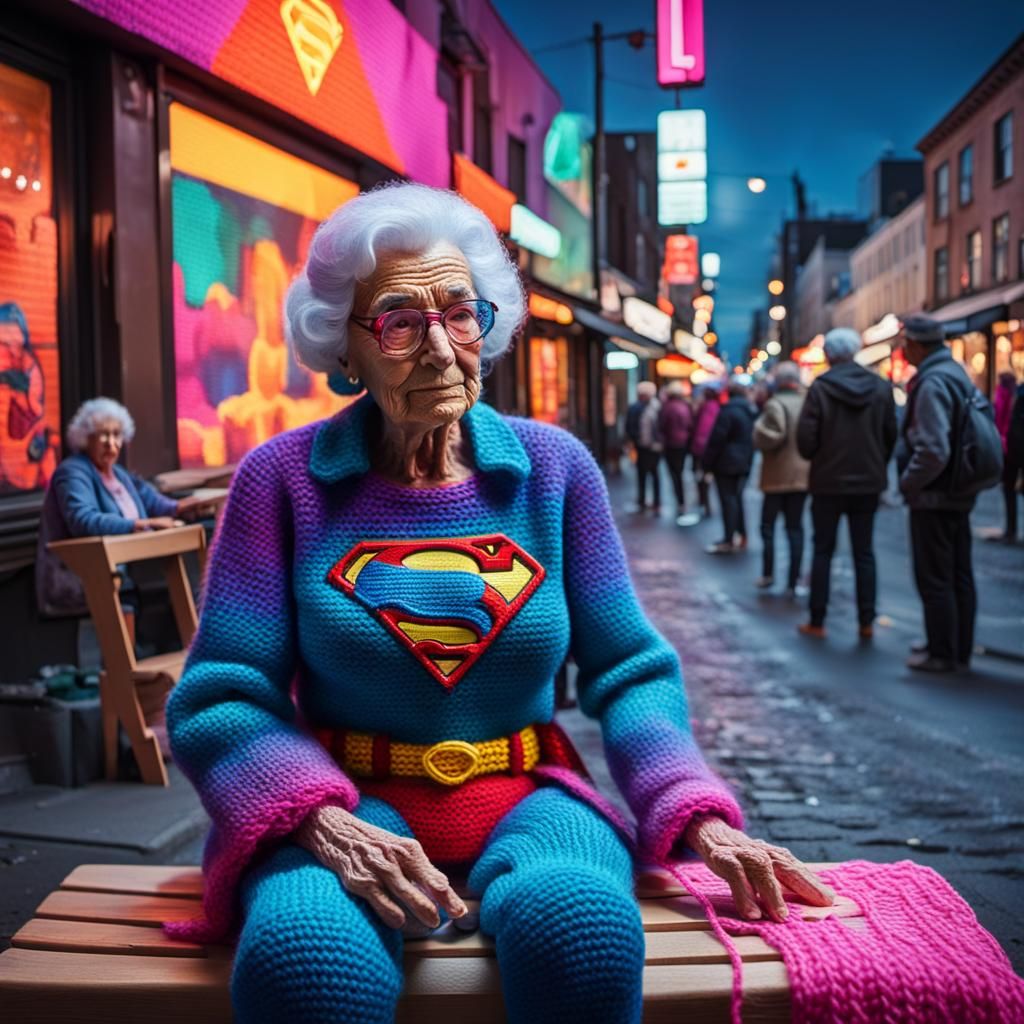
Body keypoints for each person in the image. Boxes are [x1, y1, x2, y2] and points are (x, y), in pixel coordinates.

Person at [164, 183, 834, 1024]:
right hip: (343, 800)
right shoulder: (285, 481)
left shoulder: (553, 471)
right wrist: (318, 819)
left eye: (459, 314)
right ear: (346, 348)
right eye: (401, 323)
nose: (440, 350)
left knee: (583, 930)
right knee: (307, 959)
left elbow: (629, 671)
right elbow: (224, 694)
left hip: (526, 794)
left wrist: (695, 810)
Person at [35, 398, 212, 617]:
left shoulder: (118, 473)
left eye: (117, 434)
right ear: (85, 438)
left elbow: (153, 502)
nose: (112, 443)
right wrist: (139, 524)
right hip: (85, 576)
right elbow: (83, 521)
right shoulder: (72, 472)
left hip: (128, 572)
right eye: (104, 435)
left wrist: (182, 507)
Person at [899, 315, 992, 672]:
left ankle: (942, 652)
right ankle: (956, 648)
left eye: (906, 342)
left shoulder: (933, 382)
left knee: (935, 574)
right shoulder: (956, 374)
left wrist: (909, 482)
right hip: (958, 490)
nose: (903, 349)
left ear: (918, 345)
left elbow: (934, 449)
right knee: (958, 572)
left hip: (935, 494)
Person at [796, 328, 896, 639]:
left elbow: (806, 442)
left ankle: (818, 620)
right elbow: (891, 434)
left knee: (823, 549)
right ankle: (866, 621)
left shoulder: (820, 388)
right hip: (868, 481)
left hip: (828, 481)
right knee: (863, 552)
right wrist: (877, 461)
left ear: (829, 354)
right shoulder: (880, 387)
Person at [752, 361, 809, 596]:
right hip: (801, 476)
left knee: (768, 527)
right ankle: (793, 580)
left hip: (776, 476)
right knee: (795, 528)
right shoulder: (807, 403)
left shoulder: (775, 405)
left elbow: (771, 435)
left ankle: (768, 574)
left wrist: (757, 430)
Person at [702, 378, 756, 554]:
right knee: (737, 498)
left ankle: (729, 538)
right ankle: (741, 534)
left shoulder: (728, 412)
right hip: (743, 461)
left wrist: (707, 464)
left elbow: (716, 440)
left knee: (728, 500)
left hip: (726, 463)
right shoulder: (749, 411)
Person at [658, 380, 694, 523]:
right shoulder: (685, 406)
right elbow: (690, 424)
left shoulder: (667, 407)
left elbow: (662, 425)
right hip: (682, 443)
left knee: (674, 474)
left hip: (672, 444)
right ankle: (682, 501)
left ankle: (680, 501)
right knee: (679, 473)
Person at [629, 379, 663, 513]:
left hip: (649, 446)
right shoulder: (655, 407)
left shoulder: (655, 407)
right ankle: (649, 501)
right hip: (646, 446)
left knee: (648, 474)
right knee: (649, 474)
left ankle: (650, 501)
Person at [994, 371, 1020, 542]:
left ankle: (1011, 529)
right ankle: (1011, 529)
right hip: (1013, 446)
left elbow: (999, 418)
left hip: (1009, 447)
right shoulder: (1016, 393)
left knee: (1009, 490)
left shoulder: (1004, 393)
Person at [689, 384, 720, 519]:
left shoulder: (709, 408)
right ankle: (703, 501)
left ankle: (705, 502)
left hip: (703, 449)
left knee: (703, 476)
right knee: (703, 476)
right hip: (706, 448)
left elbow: (703, 431)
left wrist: (698, 448)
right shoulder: (711, 407)